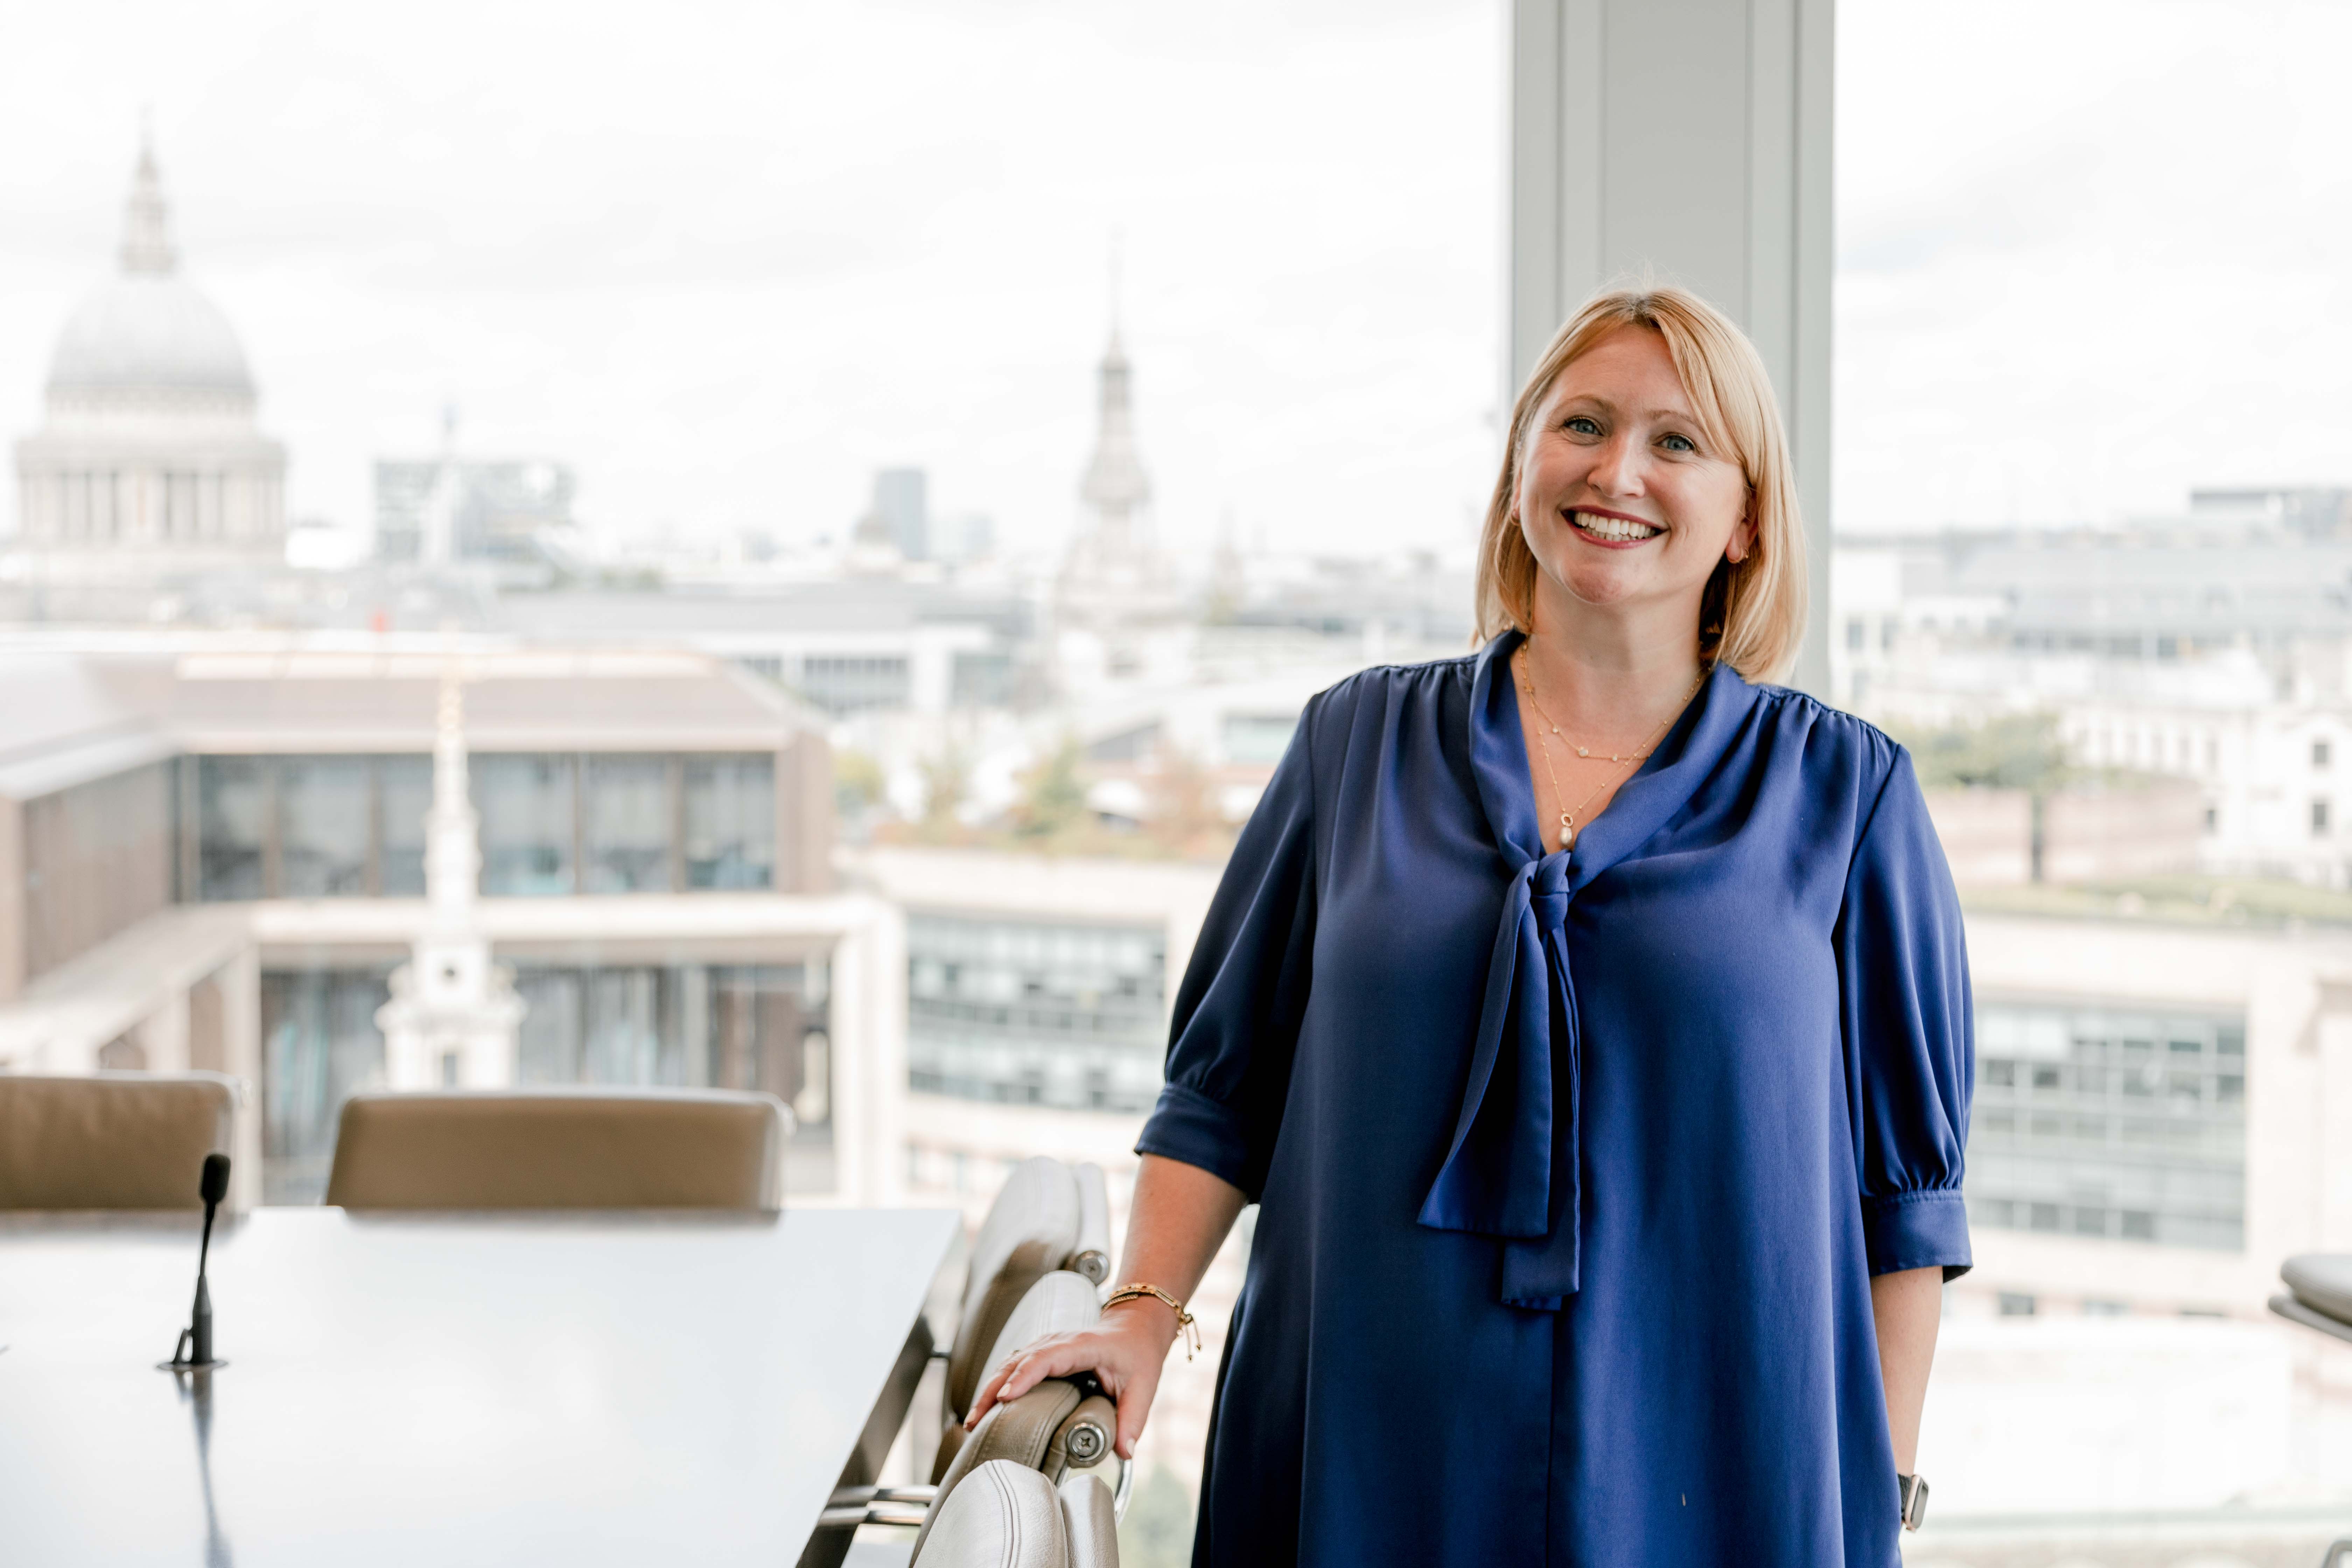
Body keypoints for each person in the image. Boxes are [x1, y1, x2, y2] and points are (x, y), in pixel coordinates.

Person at [968, 284, 1972, 1567]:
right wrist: (1144, 1314)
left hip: (1726, 1468)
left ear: (1746, 520)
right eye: (1583, 425)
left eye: (1678, 442)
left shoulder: (1849, 795)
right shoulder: (1354, 745)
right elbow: (1222, 1093)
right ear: (1519, 470)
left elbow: (1907, 1210)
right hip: (1371, 1440)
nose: (1618, 471)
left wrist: (1873, 1493)